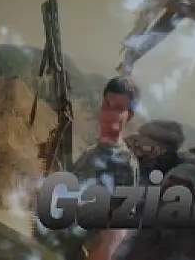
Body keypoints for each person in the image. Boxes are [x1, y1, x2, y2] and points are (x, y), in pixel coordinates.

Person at [36, 76, 142, 260]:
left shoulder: (126, 165)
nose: (109, 114)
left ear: (129, 115)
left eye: (117, 109)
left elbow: (116, 231)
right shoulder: (91, 153)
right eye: (106, 105)